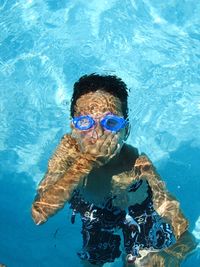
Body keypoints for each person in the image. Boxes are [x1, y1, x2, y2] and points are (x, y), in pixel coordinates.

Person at [32, 74, 196, 266]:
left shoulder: (138, 165)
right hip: (92, 211)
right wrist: (85, 163)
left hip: (136, 210)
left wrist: (171, 256)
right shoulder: (68, 153)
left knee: (141, 263)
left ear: (126, 131)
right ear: (73, 128)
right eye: (85, 122)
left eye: (110, 123)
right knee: (93, 262)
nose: (98, 134)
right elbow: (39, 214)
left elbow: (186, 237)